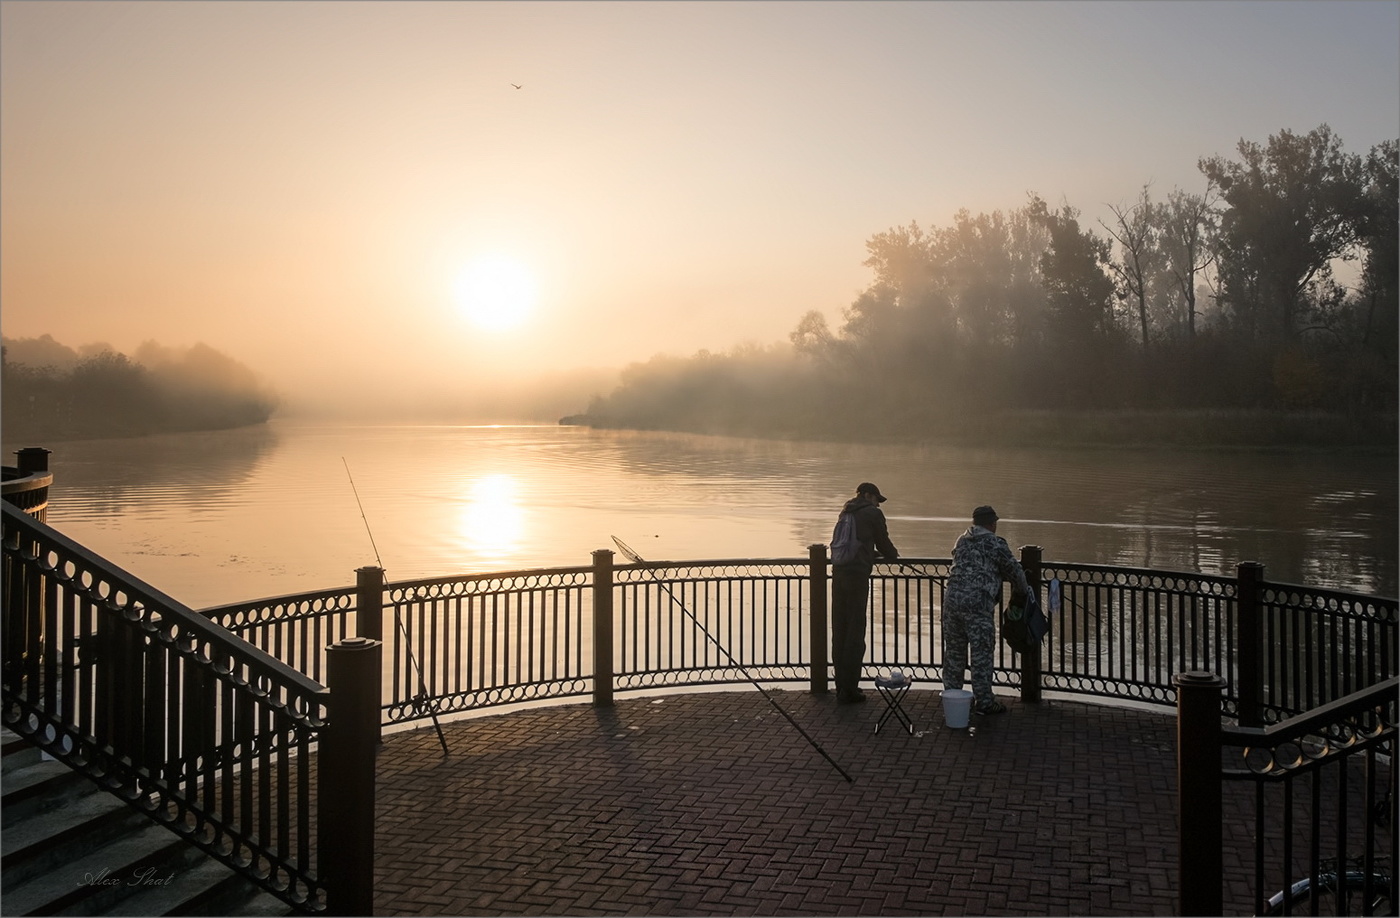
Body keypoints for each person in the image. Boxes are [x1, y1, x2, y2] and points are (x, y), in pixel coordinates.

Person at [942, 505, 1029, 716]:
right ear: (992, 524)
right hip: (978, 605)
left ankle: (953, 698)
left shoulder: (961, 540)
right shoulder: (994, 543)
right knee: (981, 654)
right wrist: (1023, 591)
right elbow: (1014, 572)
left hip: (951, 602)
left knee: (954, 653)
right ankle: (985, 702)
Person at [830, 482, 900, 704]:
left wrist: (871, 552)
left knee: (839, 629)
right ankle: (851, 689)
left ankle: (840, 684)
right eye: (877, 499)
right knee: (855, 632)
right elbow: (883, 541)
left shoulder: (845, 510)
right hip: (857, 576)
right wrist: (892, 555)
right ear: (868, 495)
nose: (878, 504)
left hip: (839, 573)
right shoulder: (872, 513)